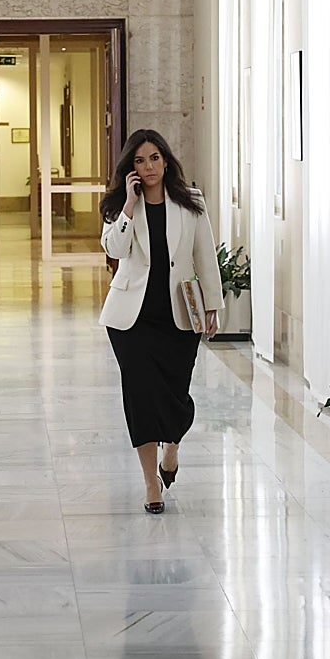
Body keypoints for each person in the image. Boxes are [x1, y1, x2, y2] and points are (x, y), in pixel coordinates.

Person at [98, 129, 222, 514]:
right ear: (129, 168)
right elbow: (114, 250)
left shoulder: (191, 202)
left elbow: (205, 256)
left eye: (154, 158)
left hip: (178, 318)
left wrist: (212, 307)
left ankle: (173, 447)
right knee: (140, 398)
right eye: (139, 160)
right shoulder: (119, 206)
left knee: (175, 397)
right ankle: (151, 482)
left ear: (166, 161)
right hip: (130, 322)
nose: (148, 167)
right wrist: (130, 207)